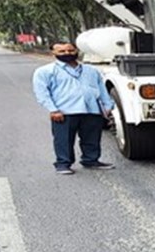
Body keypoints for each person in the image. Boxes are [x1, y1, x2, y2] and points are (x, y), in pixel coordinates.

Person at [32, 42, 116, 175]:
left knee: (92, 138)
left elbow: (102, 89)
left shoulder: (91, 70)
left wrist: (107, 106)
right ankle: (63, 164)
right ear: (53, 53)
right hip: (64, 111)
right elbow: (42, 93)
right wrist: (53, 110)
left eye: (70, 50)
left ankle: (91, 160)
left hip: (91, 110)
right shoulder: (45, 71)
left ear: (76, 51)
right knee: (63, 139)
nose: (67, 53)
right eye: (62, 51)